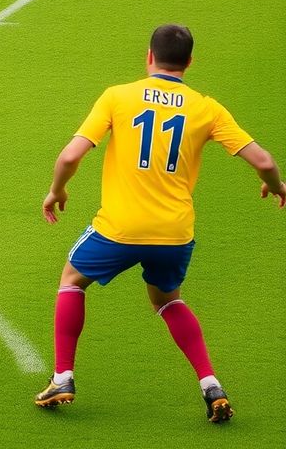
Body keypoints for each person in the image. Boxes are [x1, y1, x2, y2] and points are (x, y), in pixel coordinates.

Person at [34, 24, 286, 423]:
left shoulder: (118, 96)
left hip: (119, 228)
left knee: (71, 281)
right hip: (174, 233)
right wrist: (275, 186)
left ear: (148, 56)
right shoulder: (207, 108)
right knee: (168, 300)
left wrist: (57, 191)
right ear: (189, 62)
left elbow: (69, 157)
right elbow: (266, 162)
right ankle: (210, 385)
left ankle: (63, 376)